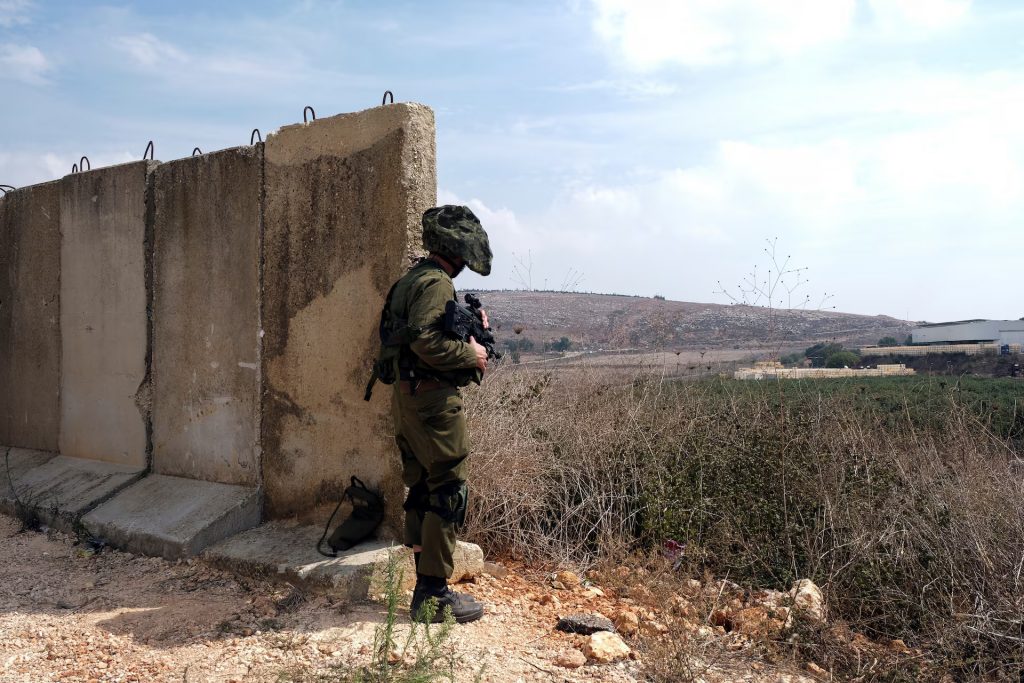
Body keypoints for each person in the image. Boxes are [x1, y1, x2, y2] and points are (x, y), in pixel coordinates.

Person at [377, 205, 492, 623]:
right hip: (432, 401)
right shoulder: (436, 284)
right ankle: (433, 595)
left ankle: (424, 586)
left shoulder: (414, 278)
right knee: (447, 488)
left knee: (423, 485)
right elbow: (427, 342)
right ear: (457, 249)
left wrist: (466, 326)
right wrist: (472, 352)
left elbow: (414, 333)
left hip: (409, 398)